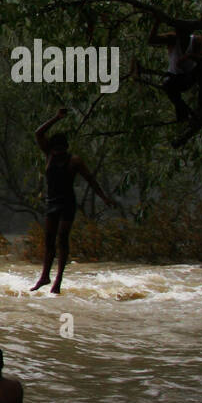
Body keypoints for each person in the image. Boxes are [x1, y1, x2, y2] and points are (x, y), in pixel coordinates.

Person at [31, 108, 119, 294]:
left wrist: (104, 198)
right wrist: (56, 117)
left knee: (62, 239)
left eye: (61, 151)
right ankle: (44, 276)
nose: (58, 154)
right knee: (49, 240)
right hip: (52, 202)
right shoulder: (48, 154)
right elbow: (38, 133)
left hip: (67, 203)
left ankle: (58, 280)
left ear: (66, 149)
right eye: (55, 151)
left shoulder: (75, 161)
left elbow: (91, 180)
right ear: (52, 149)